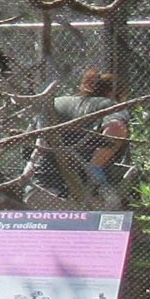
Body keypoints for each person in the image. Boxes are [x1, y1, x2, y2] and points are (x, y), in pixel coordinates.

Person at [47, 67, 132, 207]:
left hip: (44, 187)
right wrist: (94, 167)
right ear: (114, 93)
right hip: (87, 193)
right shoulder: (110, 106)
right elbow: (116, 128)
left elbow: (29, 145)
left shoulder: (56, 103)